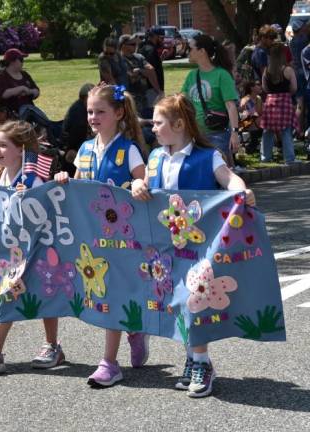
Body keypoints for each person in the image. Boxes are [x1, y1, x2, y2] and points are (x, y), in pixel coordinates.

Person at [132, 94, 256, 398]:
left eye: (159, 123)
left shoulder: (207, 156)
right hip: (165, 244)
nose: (154, 128)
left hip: (200, 244)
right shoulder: (156, 157)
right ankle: (192, 356)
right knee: (177, 302)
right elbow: (144, 184)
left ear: (178, 124)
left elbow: (229, 179)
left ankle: (202, 362)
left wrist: (243, 192)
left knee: (194, 299)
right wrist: (137, 185)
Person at [53, 85, 148, 386]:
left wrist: (138, 184)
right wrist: (64, 178)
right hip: (92, 237)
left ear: (118, 113)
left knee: (112, 295)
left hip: (123, 238)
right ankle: (134, 327)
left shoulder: (128, 149)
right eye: (90, 111)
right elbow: (79, 186)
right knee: (104, 293)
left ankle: (109, 362)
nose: (93, 117)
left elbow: (144, 179)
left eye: (100, 111)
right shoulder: (84, 150)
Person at [0, 120, 63, 373]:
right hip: (11, 250)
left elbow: (43, 212)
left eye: (4, 145)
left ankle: (52, 345)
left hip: (36, 247)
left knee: (44, 294)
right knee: (5, 293)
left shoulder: (32, 179)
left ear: (21, 150)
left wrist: (24, 199)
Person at [181, 34, 240, 166]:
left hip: (217, 135)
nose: (187, 52)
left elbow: (231, 106)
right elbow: (182, 101)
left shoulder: (222, 75)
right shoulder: (192, 75)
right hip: (195, 136)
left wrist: (235, 133)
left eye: (190, 48)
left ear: (202, 51)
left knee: (218, 176)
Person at [260, 42, 299, 164]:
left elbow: (264, 88)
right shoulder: (288, 70)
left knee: (268, 131)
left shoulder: (266, 71)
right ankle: (289, 158)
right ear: (283, 55)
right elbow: (294, 88)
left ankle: (265, 157)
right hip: (285, 102)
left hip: (270, 102)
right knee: (286, 130)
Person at [119, 34, 162, 118]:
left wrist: (139, 71)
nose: (135, 46)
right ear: (123, 46)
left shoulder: (139, 57)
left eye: (136, 44)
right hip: (127, 98)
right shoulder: (118, 60)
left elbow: (151, 70)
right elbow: (130, 76)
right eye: (132, 44)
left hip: (143, 97)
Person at [0, 48, 41, 115]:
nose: (23, 62)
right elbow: (3, 94)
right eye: (21, 60)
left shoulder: (25, 74)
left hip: (29, 109)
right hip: (12, 113)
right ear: (12, 61)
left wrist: (29, 92)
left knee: (46, 122)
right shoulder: (2, 77)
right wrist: (20, 89)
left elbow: (36, 91)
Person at [61, 83, 95, 164]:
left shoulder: (83, 106)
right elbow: (76, 136)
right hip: (74, 147)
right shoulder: (78, 113)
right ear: (85, 97)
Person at [239, 81, 263, 154]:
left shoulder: (259, 98)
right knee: (251, 116)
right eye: (258, 85)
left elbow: (261, 112)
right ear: (251, 88)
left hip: (255, 122)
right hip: (245, 123)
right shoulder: (246, 100)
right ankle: (250, 146)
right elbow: (253, 114)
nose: (260, 86)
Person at [139, 26, 165, 92]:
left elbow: (153, 65)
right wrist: (158, 90)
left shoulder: (144, 47)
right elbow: (150, 72)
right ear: (155, 36)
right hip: (152, 89)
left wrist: (161, 58)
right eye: (162, 38)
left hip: (149, 88)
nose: (163, 40)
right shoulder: (150, 50)